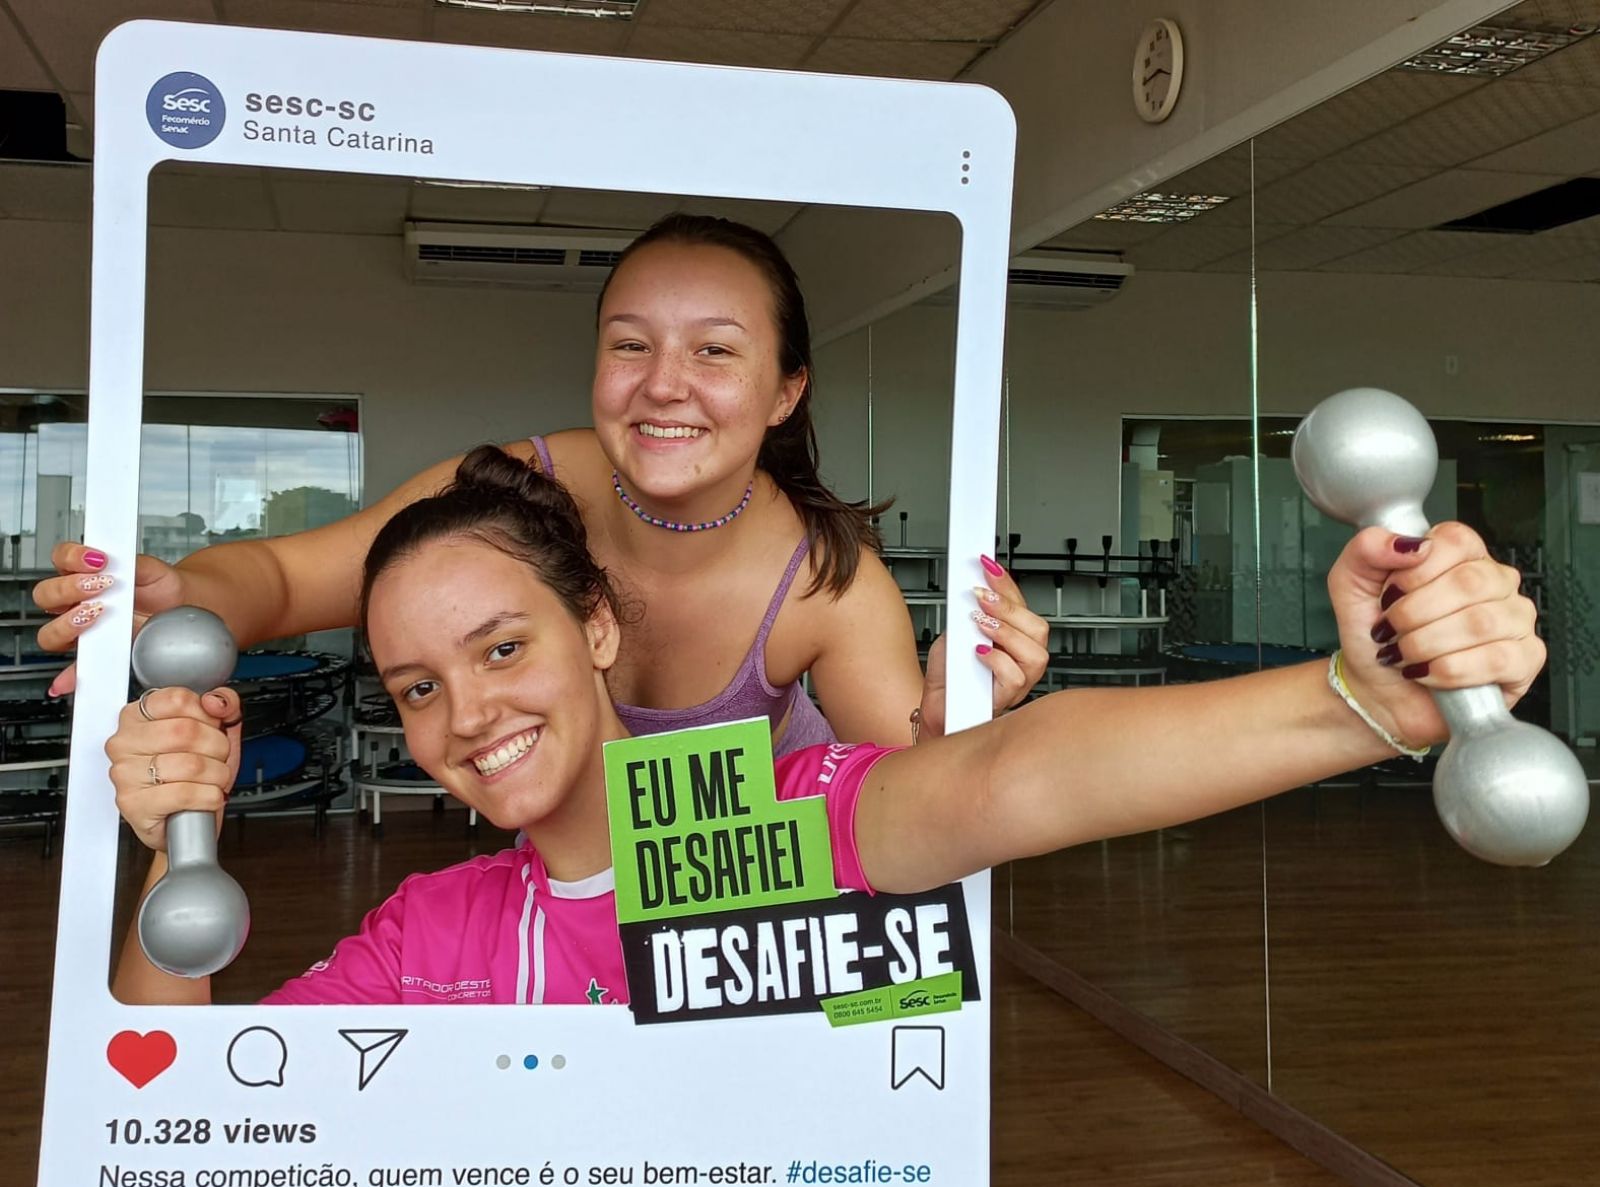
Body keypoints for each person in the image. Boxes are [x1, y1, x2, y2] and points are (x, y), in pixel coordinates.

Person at [110, 447, 1544, 1187]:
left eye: (501, 649)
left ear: (596, 628)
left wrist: (1355, 702)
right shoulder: (433, 934)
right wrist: (176, 851)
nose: (466, 714)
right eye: (417, 687)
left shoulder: (755, 822)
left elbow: (1012, 780)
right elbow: (170, 1132)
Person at [36, 213, 1048, 750]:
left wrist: (962, 714)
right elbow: (287, 578)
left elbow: (919, 789)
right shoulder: (512, 493)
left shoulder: (824, 580)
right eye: (631, 344)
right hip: (568, 905)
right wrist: (182, 602)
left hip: (752, 922)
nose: (664, 385)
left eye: (714, 352)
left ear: (785, 391)